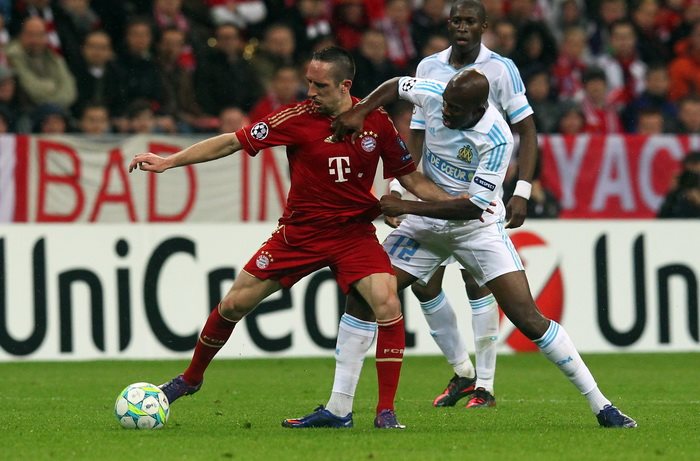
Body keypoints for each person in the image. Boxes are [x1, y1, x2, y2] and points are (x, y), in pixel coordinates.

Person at [128, 46, 463, 429]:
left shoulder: (377, 121)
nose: (310, 92)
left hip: (353, 234)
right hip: (300, 234)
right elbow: (232, 141)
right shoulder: (295, 118)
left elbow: (411, 177)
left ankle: (385, 412)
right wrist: (170, 161)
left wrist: (457, 203)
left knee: (387, 302)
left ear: (345, 86)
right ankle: (191, 379)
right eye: (309, 83)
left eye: (320, 85)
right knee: (234, 304)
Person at [306, 68, 636, 429]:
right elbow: (395, 86)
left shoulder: (497, 137)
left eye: (455, 109)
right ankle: (339, 409)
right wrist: (362, 109)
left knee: (528, 318)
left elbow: (471, 207)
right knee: (362, 296)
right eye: (445, 103)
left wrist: (406, 206)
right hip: (426, 226)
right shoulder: (436, 94)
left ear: (479, 108)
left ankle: (602, 405)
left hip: (476, 230)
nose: (445, 111)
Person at [384, 0, 540, 409]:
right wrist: (401, 185)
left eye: (470, 21)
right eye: (456, 20)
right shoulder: (428, 67)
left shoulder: (501, 69)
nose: (462, 27)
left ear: (484, 26)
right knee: (424, 285)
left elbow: (526, 129)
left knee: (476, 281)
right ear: (448, 24)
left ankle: (485, 385)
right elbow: (417, 130)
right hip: (433, 189)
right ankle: (463, 372)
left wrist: (522, 189)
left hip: (476, 193)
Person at [657, 151, 700, 218]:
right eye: (688, 172)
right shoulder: (679, 193)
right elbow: (661, 218)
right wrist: (671, 193)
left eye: (695, 173)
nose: (691, 177)